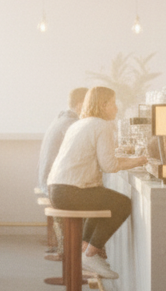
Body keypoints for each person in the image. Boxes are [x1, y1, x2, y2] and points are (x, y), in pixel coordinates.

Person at [48, 85, 147, 280]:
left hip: (56, 190)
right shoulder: (102, 126)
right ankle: (91, 254)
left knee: (101, 197)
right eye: (113, 103)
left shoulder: (79, 124)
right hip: (70, 191)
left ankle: (85, 248)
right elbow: (109, 165)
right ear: (103, 105)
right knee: (122, 203)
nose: (116, 108)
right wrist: (138, 160)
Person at [37, 87, 88, 193]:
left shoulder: (61, 119)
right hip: (55, 187)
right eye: (91, 104)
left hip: (48, 183)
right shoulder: (71, 124)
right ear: (80, 105)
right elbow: (86, 153)